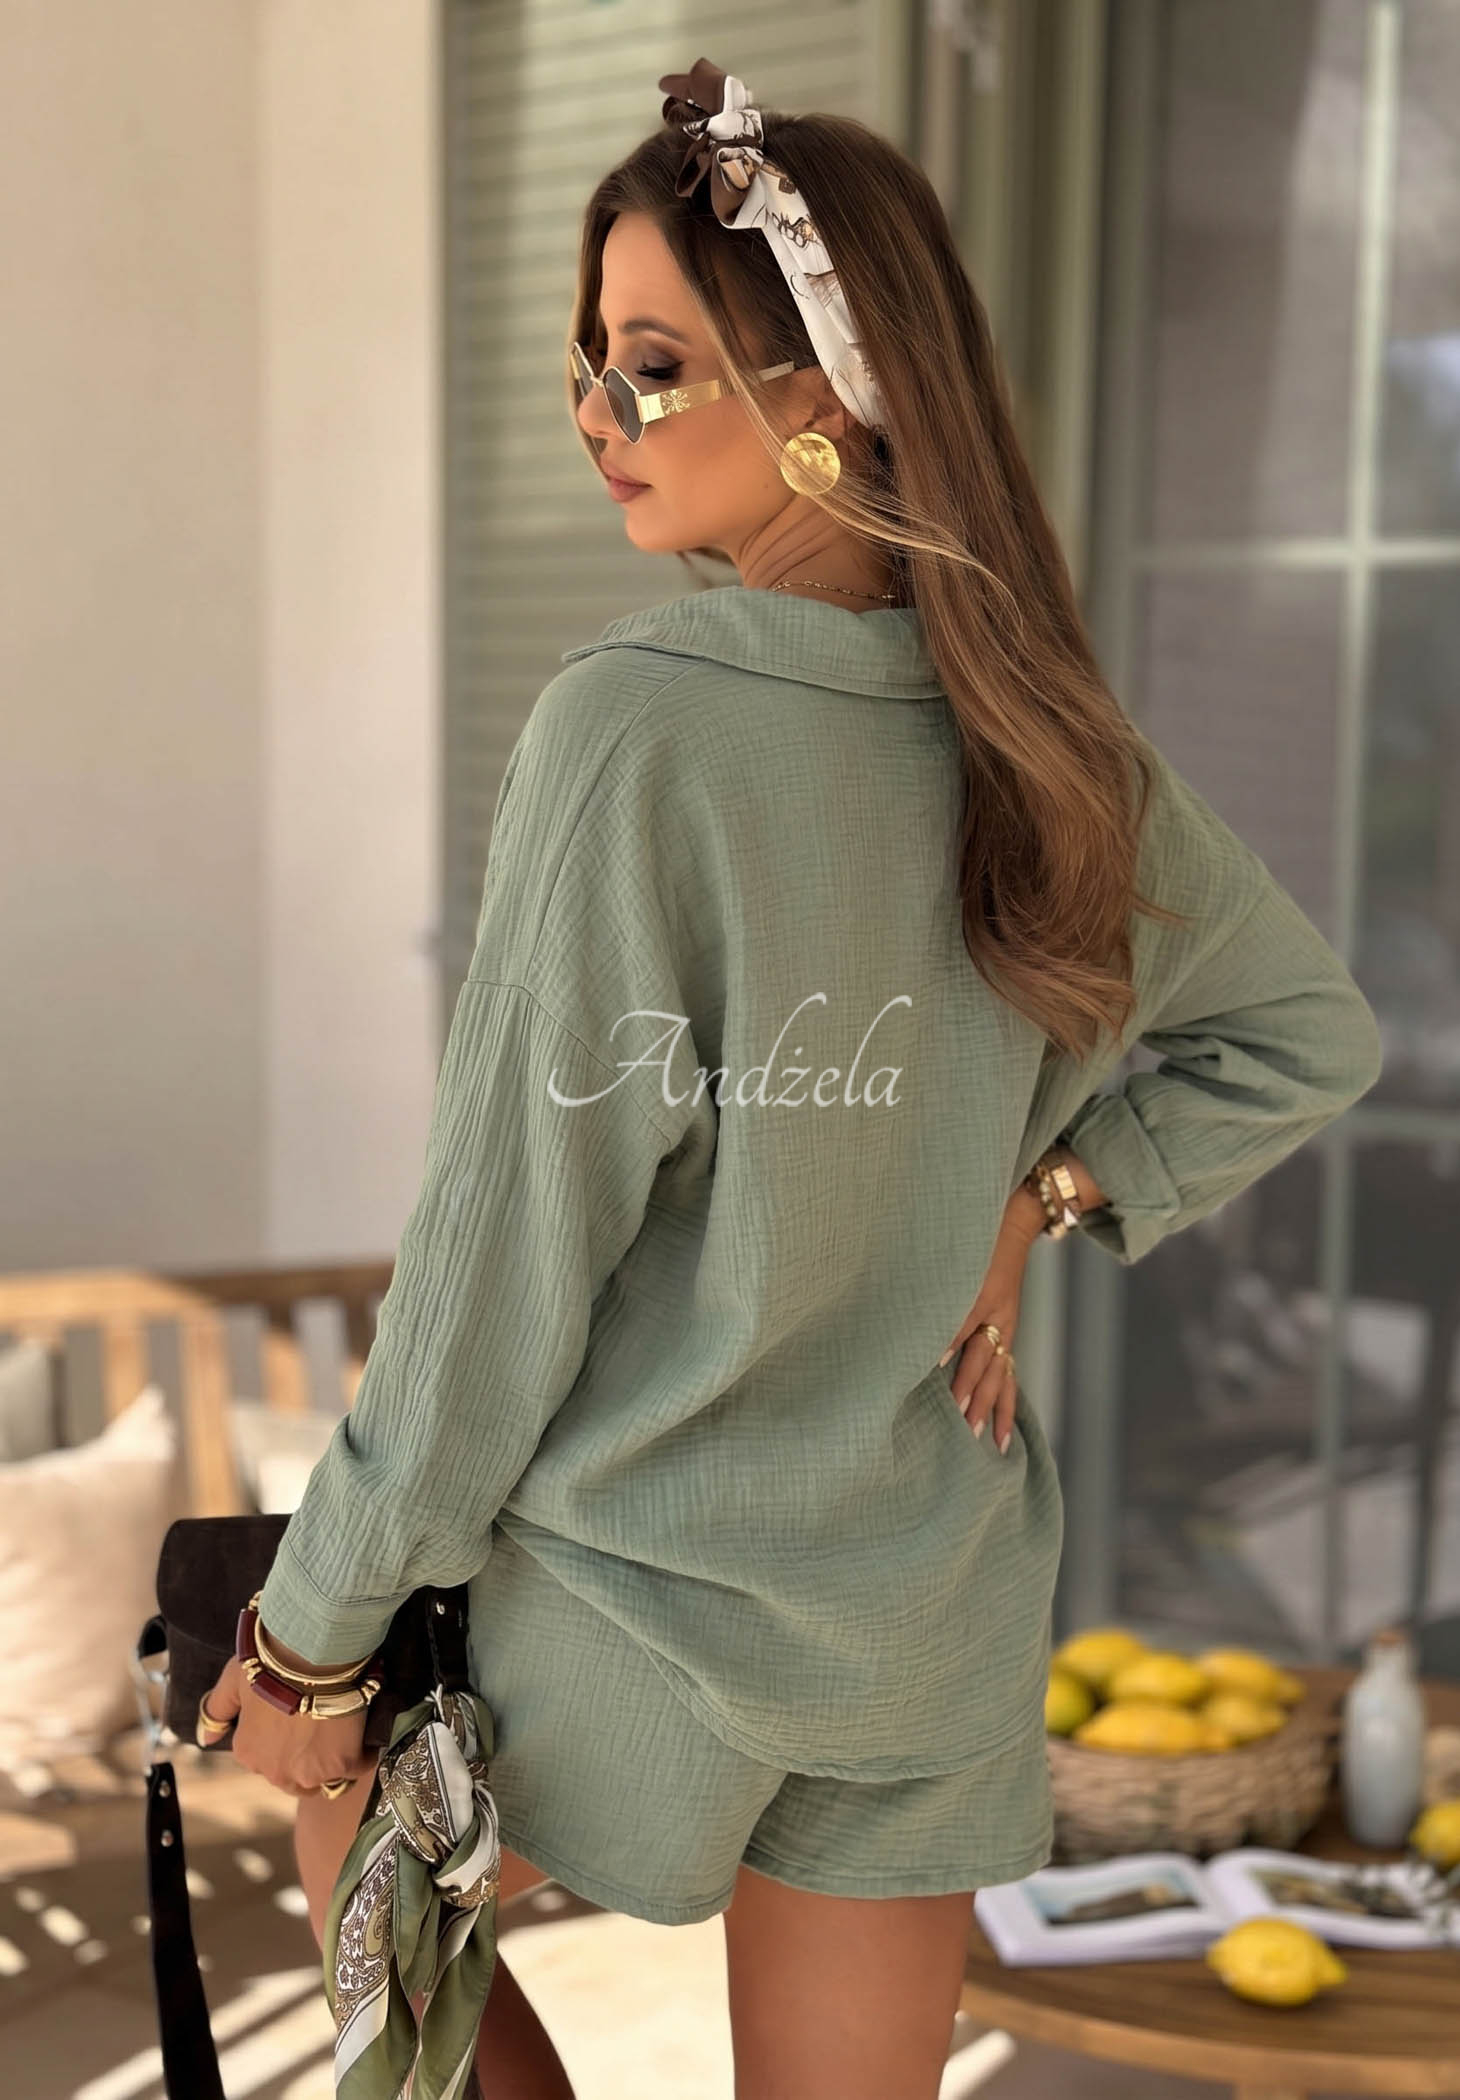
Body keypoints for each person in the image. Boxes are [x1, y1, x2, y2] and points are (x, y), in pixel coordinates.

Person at [201, 58, 1384, 2100]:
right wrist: (1047, 1197)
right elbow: (1308, 1034)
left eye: (652, 366)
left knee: (355, 1836)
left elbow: (505, 1258)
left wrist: (311, 1631)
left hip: (635, 1604)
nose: (598, 414)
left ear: (839, 383)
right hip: (925, 1617)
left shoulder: (634, 731)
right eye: (588, 366)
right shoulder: (1053, 745)